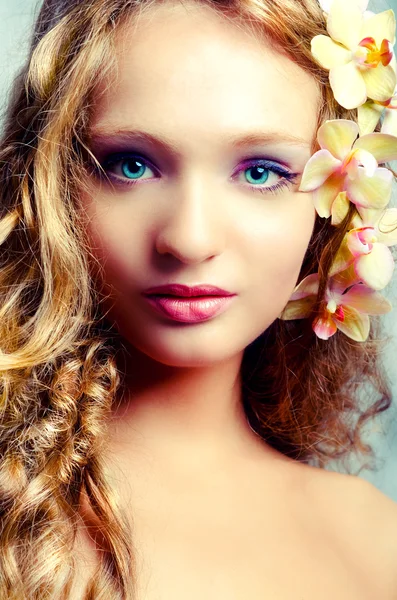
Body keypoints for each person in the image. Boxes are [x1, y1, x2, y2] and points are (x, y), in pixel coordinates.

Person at [1, 0, 397, 597]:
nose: (189, 239)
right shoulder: (14, 508)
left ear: (334, 211)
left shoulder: (374, 539)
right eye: (131, 165)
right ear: (54, 188)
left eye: (261, 172)